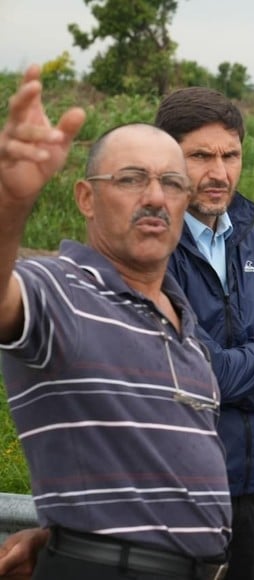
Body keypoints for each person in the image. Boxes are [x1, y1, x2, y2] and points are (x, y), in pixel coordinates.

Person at [0, 66, 231, 579]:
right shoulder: (60, 290)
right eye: (130, 179)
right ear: (86, 197)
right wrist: (11, 199)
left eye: (172, 183)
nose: (154, 196)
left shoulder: (185, 327)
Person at [155, 87, 254, 580]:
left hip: (248, 488)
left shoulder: (248, 239)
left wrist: (230, 374)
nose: (219, 173)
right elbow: (197, 377)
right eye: (200, 155)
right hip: (172, 493)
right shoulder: (153, 246)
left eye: (231, 155)